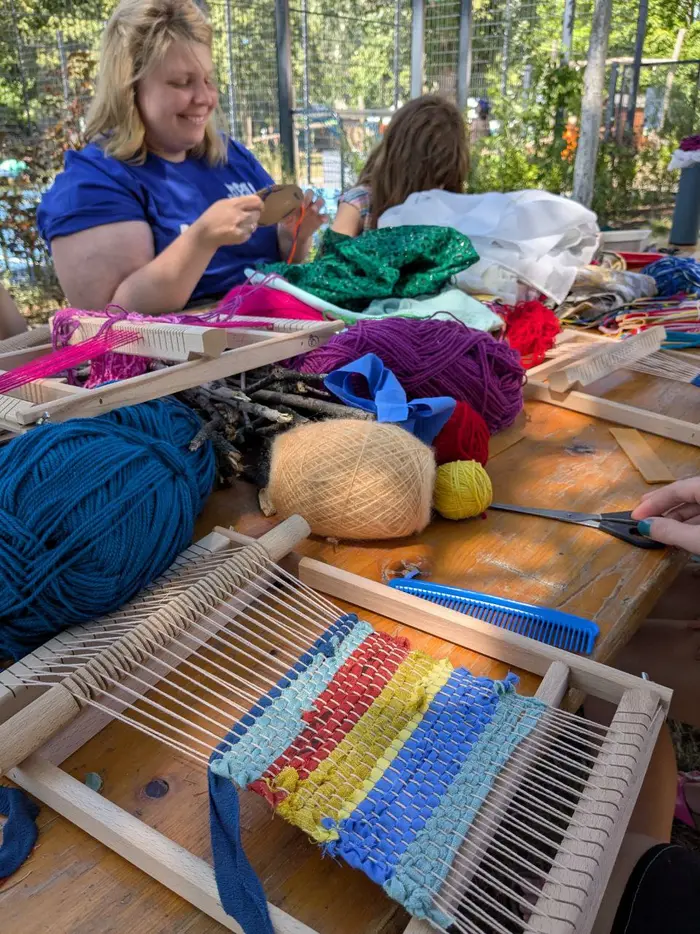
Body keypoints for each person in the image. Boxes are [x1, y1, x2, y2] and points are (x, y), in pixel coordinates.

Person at [37, 0, 327, 315]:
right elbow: (114, 325)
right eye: (181, 82)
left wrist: (293, 236)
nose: (205, 98)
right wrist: (202, 240)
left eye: (208, 80)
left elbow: (277, 268)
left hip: (278, 334)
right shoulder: (93, 184)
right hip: (198, 359)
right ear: (129, 88)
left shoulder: (230, 156)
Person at [332, 95, 469, 237]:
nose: (439, 189)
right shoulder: (361, 204)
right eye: (434, 179)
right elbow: (330, 258)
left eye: (444, 180)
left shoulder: (448, 209)